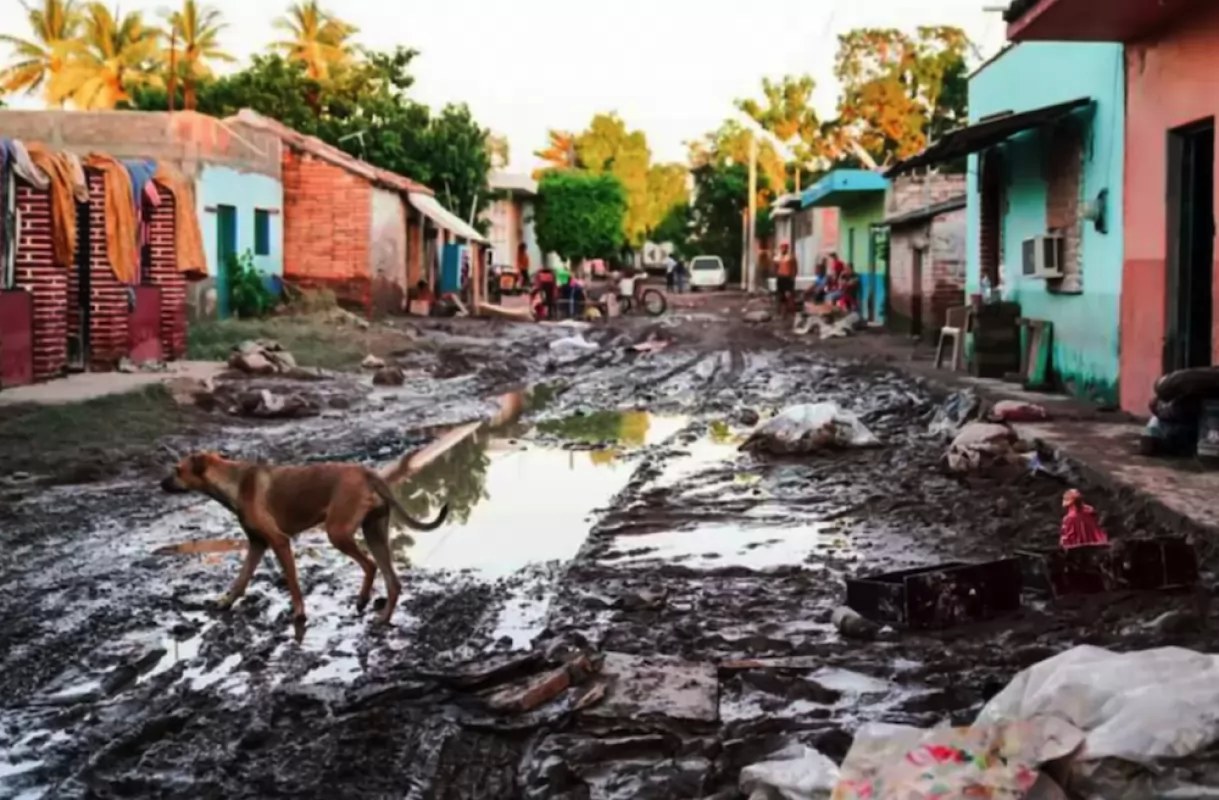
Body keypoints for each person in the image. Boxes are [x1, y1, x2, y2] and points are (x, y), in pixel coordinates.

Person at [775, 242, 798, 314]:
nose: (783, 248)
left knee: (790, 294)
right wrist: (777, 275)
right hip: (780, 278)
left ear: (787, 248)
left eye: (785, 247)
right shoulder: (777, 257)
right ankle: (781, 311)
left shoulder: (791, 257)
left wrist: (793, 276)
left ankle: (791, 310)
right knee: (780, 294)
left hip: (788, 278)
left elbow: (795, 267)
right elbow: (775, 267)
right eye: (782, 247)